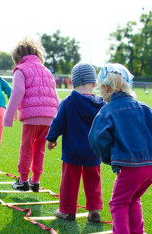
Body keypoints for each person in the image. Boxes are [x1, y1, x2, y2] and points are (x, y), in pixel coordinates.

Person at [88, 63, 152, 234]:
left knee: (118, 203)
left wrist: (110, 157)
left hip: (132, 168)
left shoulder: (107, 110)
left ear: (105, 87)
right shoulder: (145, 107)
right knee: (133, 199)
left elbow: (96, 137)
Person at [46, 63, 106, 223]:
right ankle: (94, 211)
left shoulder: (68, 102)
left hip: (72, 151)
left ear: (73, 82)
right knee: (94, 180)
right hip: (93, 151)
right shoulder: (101, 104)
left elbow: (58, 123)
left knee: (69, 181)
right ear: (94, 83)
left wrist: (51, 138)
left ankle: (67, 210)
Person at [3, 37, 59, 192]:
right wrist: (59, 119)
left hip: (32, 116)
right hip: (49, 117)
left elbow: (17, 93)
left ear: (18, 58)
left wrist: (8, 116)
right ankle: (35, 181)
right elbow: (55, 96)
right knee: (39, 148)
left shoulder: (20, 70)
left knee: (26, 147)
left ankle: (23, 181)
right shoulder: (47, 71)